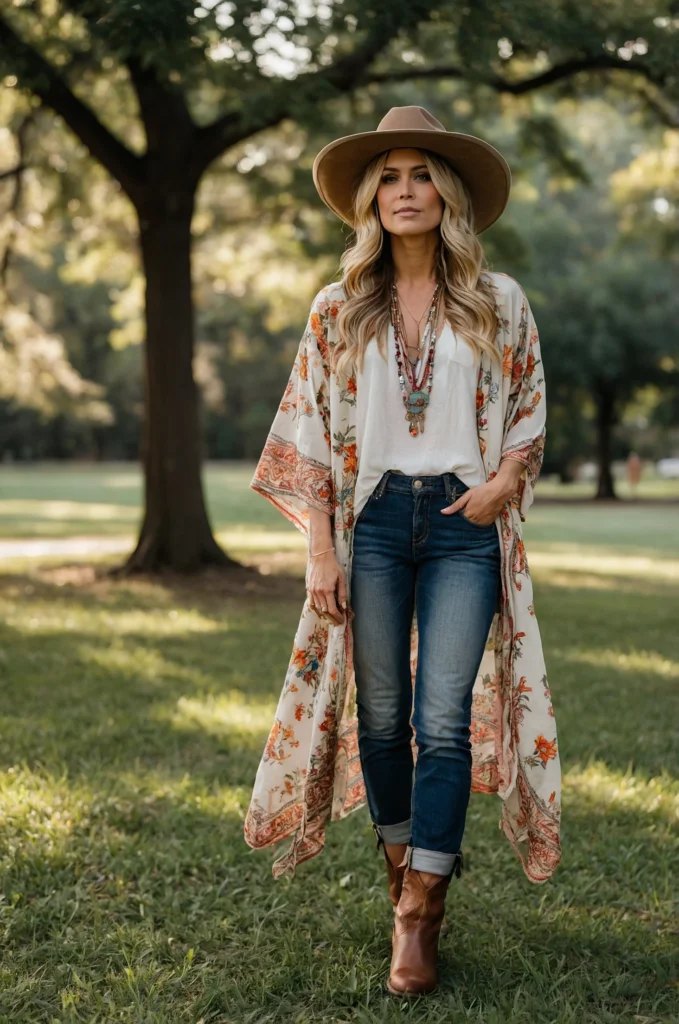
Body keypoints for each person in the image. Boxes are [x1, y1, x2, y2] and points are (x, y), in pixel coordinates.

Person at [243, 106, 561, 998]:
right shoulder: (336, 306)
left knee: (444, 717)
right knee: (381, 718)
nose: (405, 191)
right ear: (369, 200)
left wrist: (503, 482)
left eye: (421, 175)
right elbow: (304, 434)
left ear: (447, 195)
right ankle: (400, 877)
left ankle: (422, 909)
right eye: (388, 177)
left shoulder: (500, 302)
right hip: (372, 522)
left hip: (465, 524)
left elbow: (528, 409)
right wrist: (318, 551)